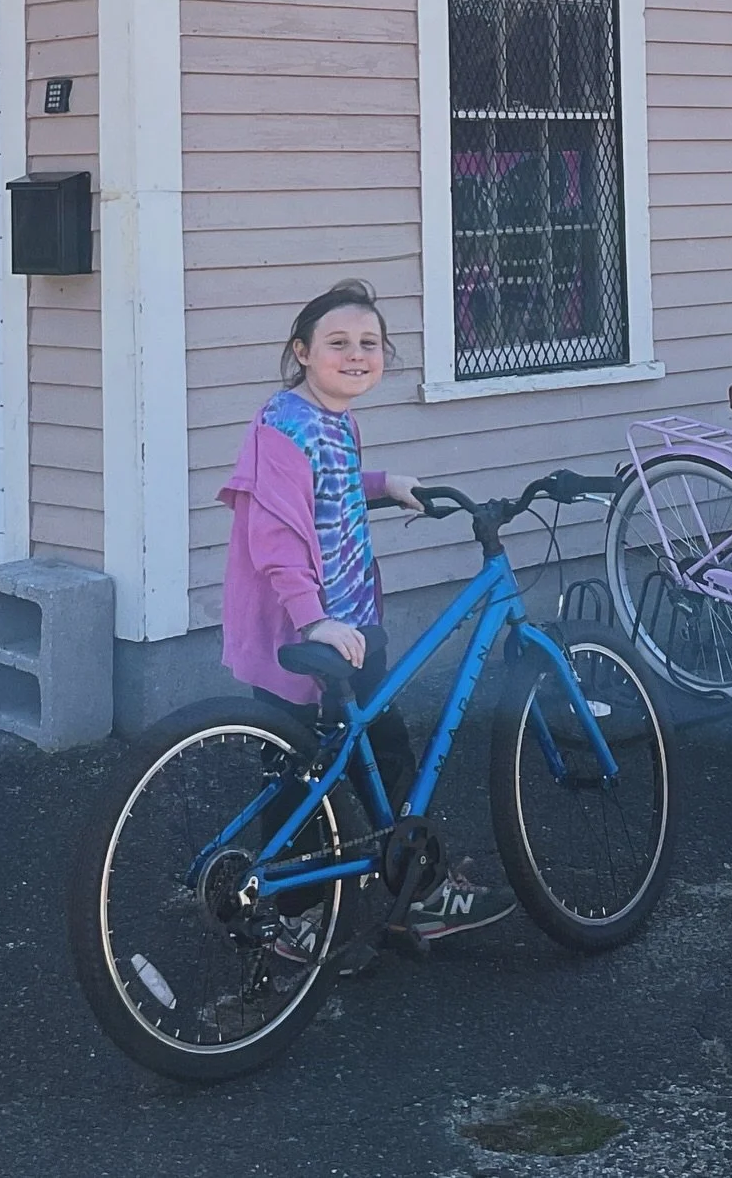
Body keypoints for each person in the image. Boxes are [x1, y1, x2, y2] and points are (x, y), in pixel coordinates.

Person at [220, 278, 514, 960]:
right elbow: (276, 537)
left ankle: (420, 891)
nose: (357, 355)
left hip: (352, 629)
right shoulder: (280, 428)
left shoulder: (335, 420)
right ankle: (287, 916)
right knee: (299, 785)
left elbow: (334, 482)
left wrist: (384, 483)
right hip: (309, 642)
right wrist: (313, 622)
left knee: (383, 759)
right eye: (338, 343)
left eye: (369, 343)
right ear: (301, 350)